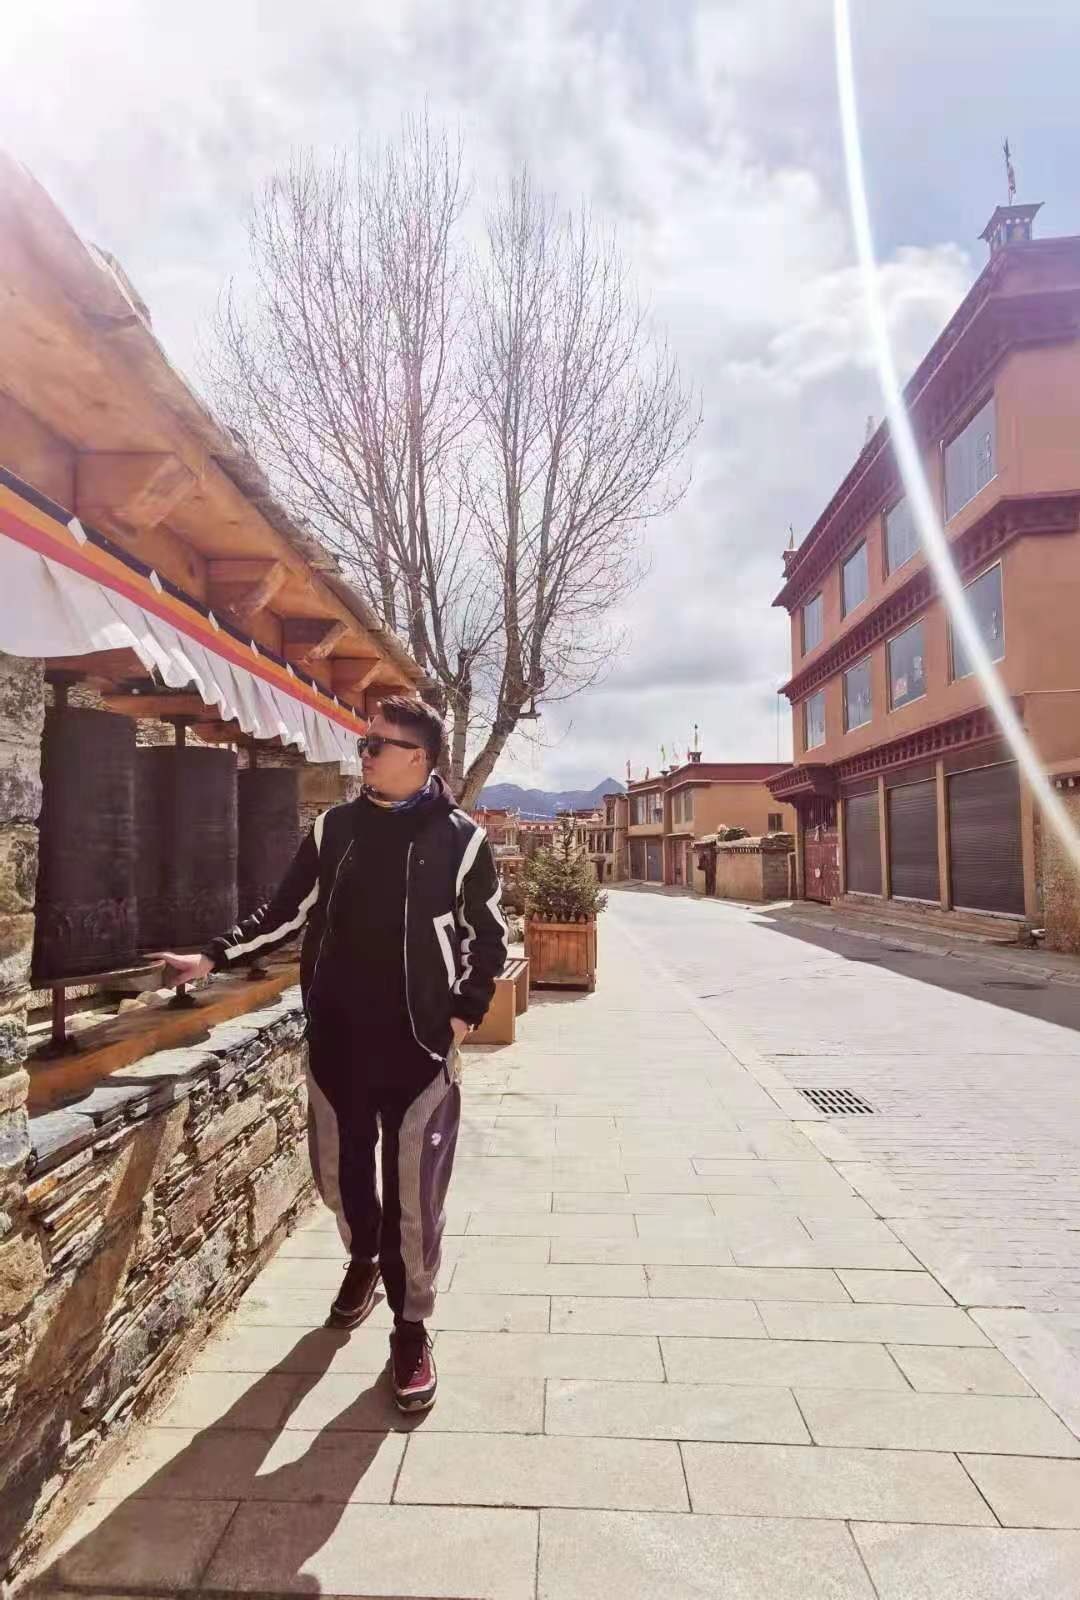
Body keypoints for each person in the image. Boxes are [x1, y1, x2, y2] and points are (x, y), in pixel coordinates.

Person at [157, 696, 507, 1412]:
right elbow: (283, 913)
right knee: (341, 1176)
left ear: (419, 758)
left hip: (417, 1050)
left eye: (378, 745)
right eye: (364, 743)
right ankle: (363, 1260)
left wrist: (462, 1017)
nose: (365, 755)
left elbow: (487, 938)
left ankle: (410, 1329)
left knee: (414, 1197)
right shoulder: (335, 829)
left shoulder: (461, 840)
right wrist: (212, 957)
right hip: (339, 1043)